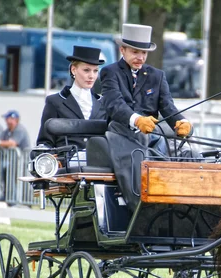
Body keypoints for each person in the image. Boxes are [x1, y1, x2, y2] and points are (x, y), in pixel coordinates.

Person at [99, 23, 195, 211]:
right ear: (122, 50)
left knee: (190, 154)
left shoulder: (156, 76)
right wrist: (136, 120)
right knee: (141, 153)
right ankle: (141, 206)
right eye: (135, 52)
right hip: (121, 133)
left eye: (144, 53)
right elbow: (114, 104)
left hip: (152, 135)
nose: (140, 57)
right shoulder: (110, 72)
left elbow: (167, 106)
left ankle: (182, 205)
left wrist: (182, 123)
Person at [36, 45, 105, 151]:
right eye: (86, 70)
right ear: (74, 70)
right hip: (66, 164)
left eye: (95, 71)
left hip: (98, 164)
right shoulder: (55, 102)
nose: (91, 76)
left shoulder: (104, 103)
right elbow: (45, 142)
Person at [0, 110, 30, 203]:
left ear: (14, 119)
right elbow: (2, 140)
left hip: (22, 162)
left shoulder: (19, 129)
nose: (6, 121)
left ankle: (23, 200)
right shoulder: (7, 131)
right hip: (12, 161)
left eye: (8, 118)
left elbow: (12, 143)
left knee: (21, 181)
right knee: (7, 176)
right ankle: (8, 196)